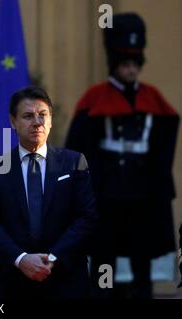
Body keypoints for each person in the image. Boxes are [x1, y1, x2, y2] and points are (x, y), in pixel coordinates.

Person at [65, 13, 180, 299]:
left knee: (143, 259)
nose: (131, 71)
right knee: (105, 260)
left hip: (143, 196)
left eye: (134, 64)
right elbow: (78, 145)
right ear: (114, 65)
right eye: (125, 64)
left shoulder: (152, 98)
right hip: (108, 196)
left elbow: (164, 142)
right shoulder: (95, 99)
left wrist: (159, 183)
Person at [0, 87, 99, 299]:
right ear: (13, 122)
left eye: (42, 115)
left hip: (67, 279)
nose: (37, 122)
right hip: (14, 282)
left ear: (51, 121)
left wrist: (52, 258)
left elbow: (87, 217)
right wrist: (21, 259)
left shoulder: (74, 162)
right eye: (27, 116)